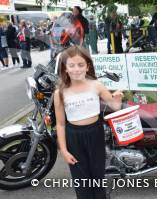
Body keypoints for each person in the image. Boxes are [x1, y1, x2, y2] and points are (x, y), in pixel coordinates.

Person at [54, 45, 123, 199]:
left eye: (80, 65)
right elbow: (60, 124)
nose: (76, 69)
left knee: (98, 175)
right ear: (65, 68)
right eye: (71, 65)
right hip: (73, 136)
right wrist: (64, 151)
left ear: (87, 67)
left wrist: (117, 97)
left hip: (95, 133)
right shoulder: (59, 93)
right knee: (81, 179)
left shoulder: (96, 85)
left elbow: (114, 106)